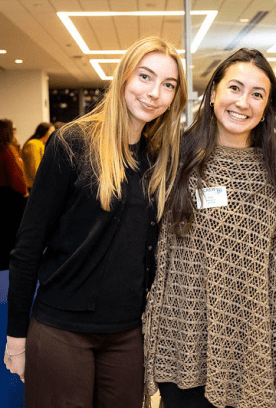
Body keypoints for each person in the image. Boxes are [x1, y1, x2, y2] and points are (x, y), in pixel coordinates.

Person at [5, 36, 187, 407]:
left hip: (126, 332)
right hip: (61, 330)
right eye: (145, 77)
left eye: (168, 85)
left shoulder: (156, 159)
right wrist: (15, 337)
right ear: (123, 79)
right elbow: (27, 246)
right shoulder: (72, 144)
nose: (155, 93)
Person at [142, 48, 276, 408]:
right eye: (234, 88)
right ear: (213, 93)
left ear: (266, 109)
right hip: (182, 340)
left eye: (257, 95)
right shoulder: (172, 157)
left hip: (250, 345)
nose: (243, 102)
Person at [0, 119, 28, 270]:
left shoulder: (9, 149)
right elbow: (16, 177)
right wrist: (24, 193)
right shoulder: (7, 151)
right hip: (11, 198)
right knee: (12, 235)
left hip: (5, 196)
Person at [22, 122, 55, 190]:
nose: (53, 134)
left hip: (39, 184)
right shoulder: (34, 144)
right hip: (33, 186)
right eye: (51, 131)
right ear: (44, 131)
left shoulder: (42, 144)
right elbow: (35, 168)